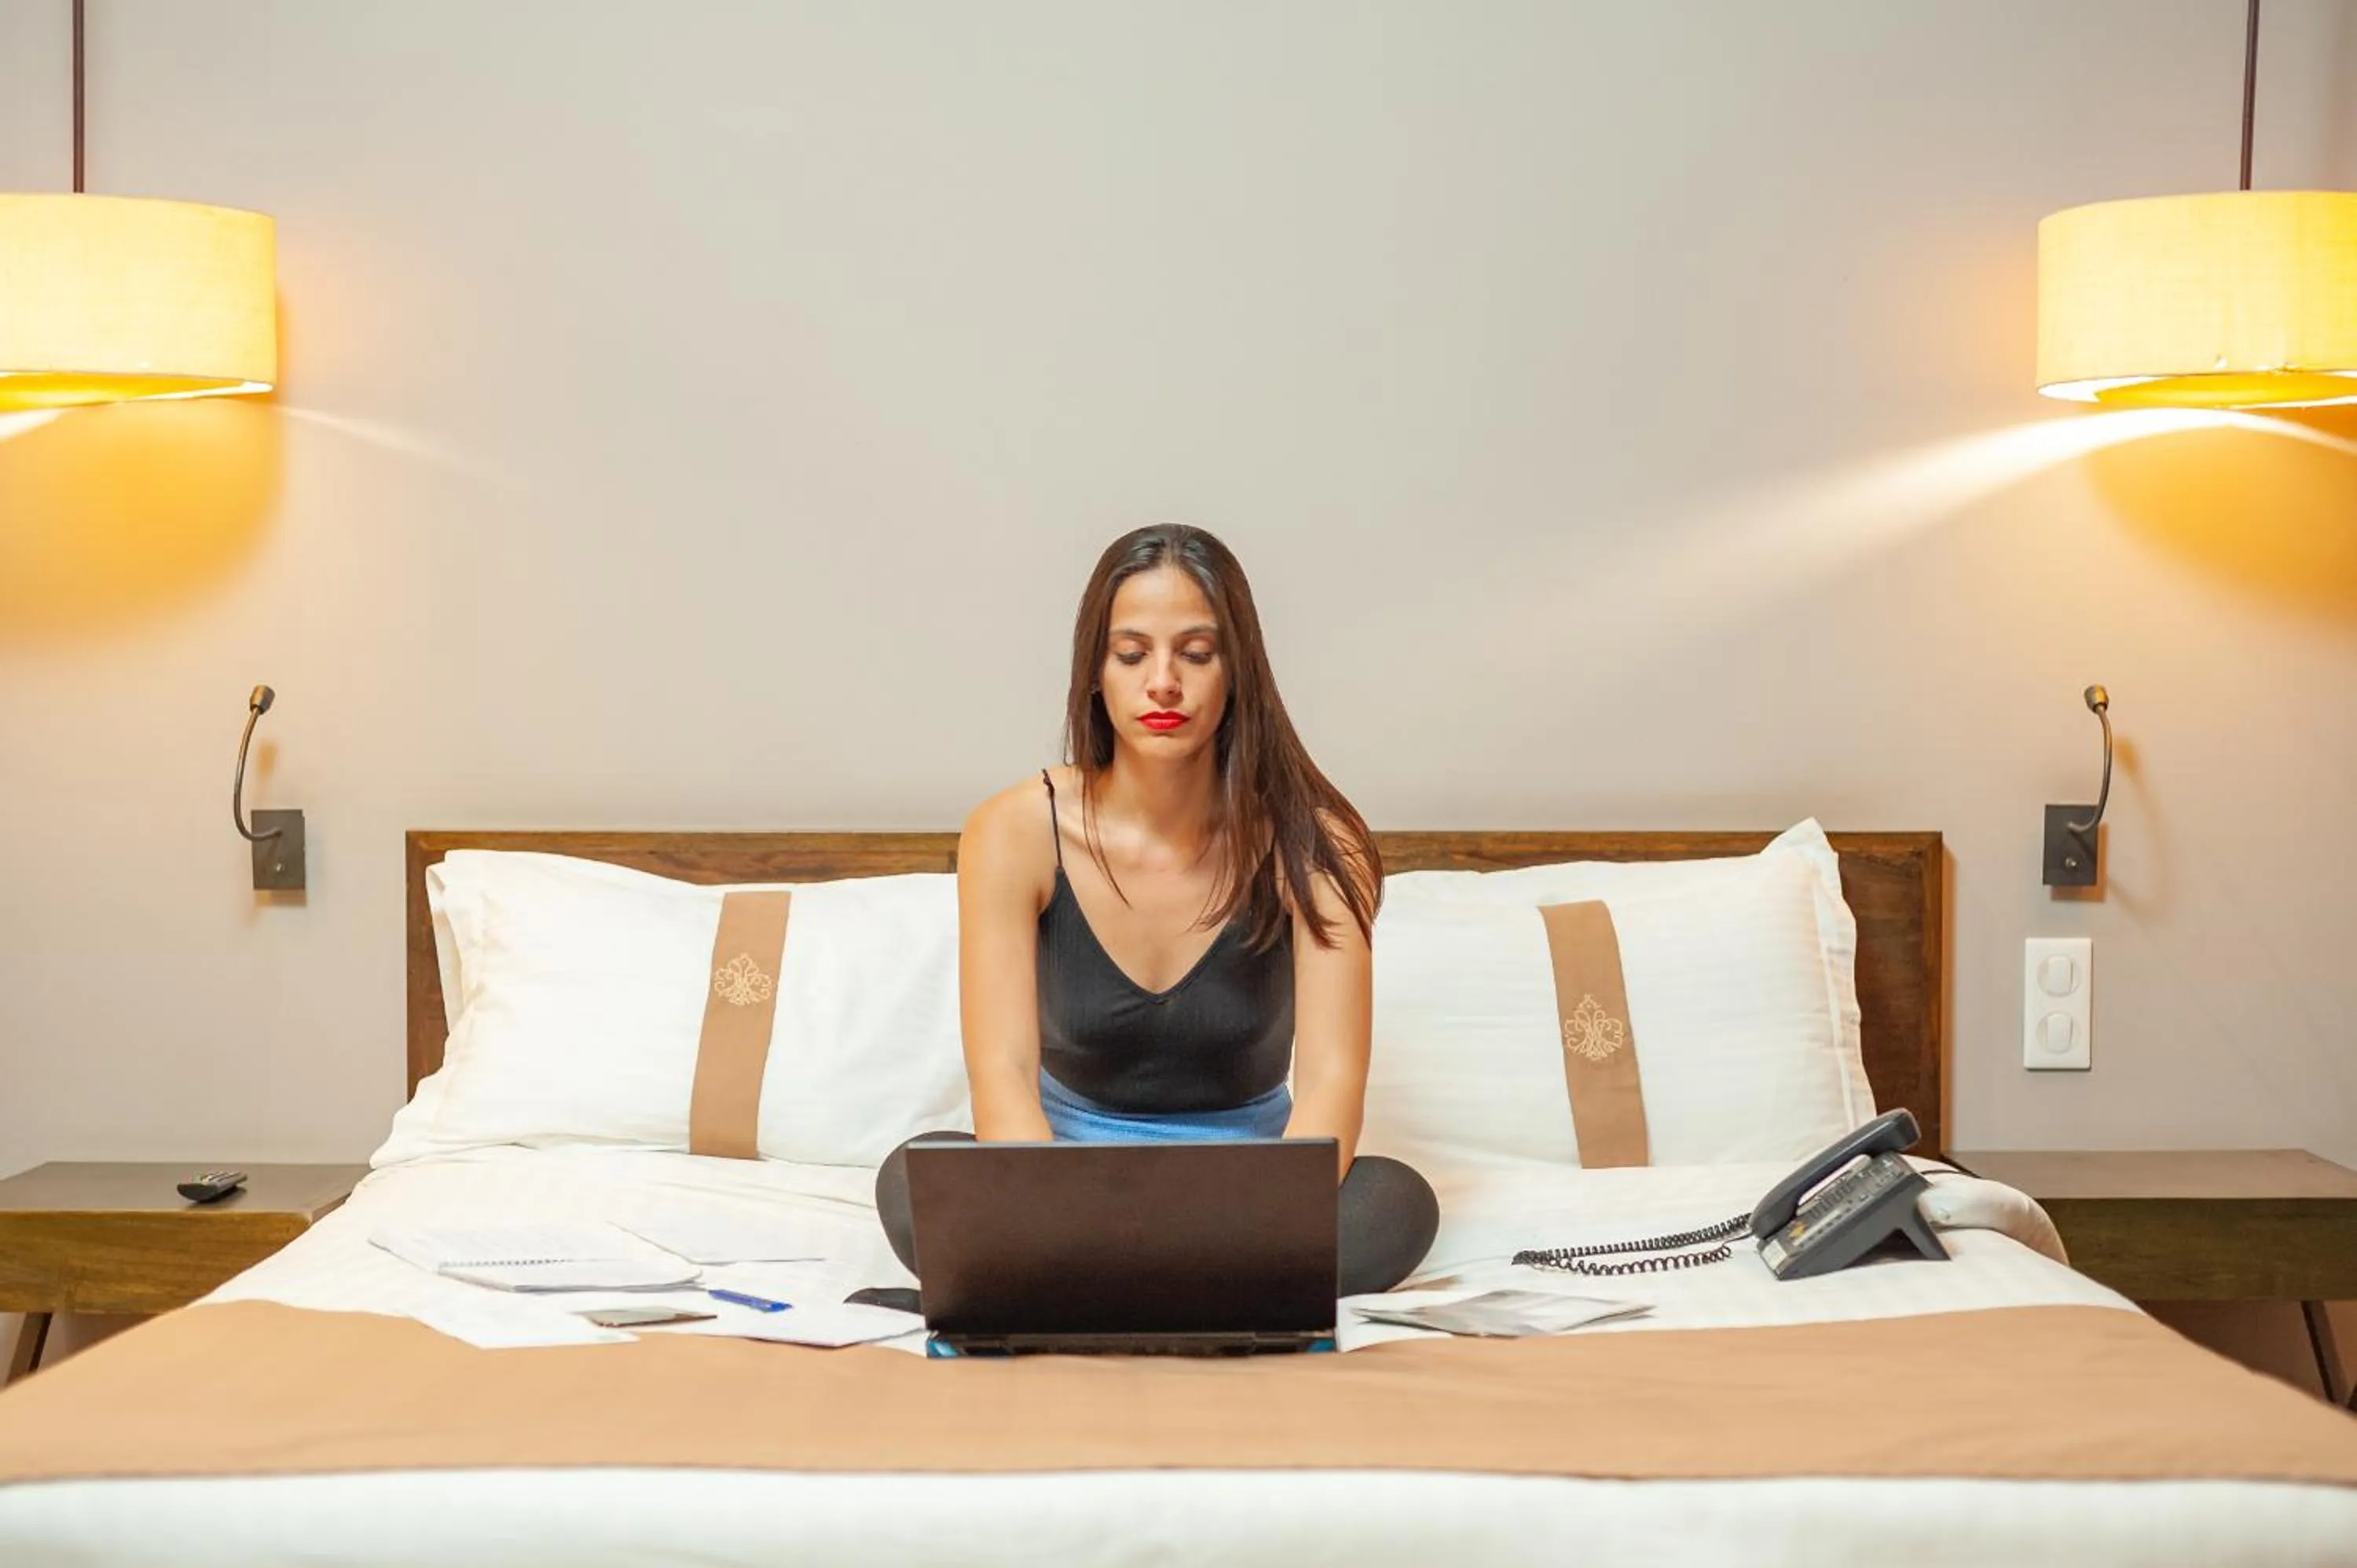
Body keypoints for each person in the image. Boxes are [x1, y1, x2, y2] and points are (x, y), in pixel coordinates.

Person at [871, 523, 1439, 1299]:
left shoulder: (1315, 841)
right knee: (915, 1176)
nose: (1163, 683)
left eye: (1196, 654)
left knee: (1396, 1203)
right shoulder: (1012, 832)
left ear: (1237, 672)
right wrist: (1047, 1209)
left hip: (1250, 1189)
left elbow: (1333, 1078)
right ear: (1095, 673)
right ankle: (1199, 1290)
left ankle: (1094, 1291)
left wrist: (1263, 1217)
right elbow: (1002, 1073)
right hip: (1063, 1180)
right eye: (1132, 654)